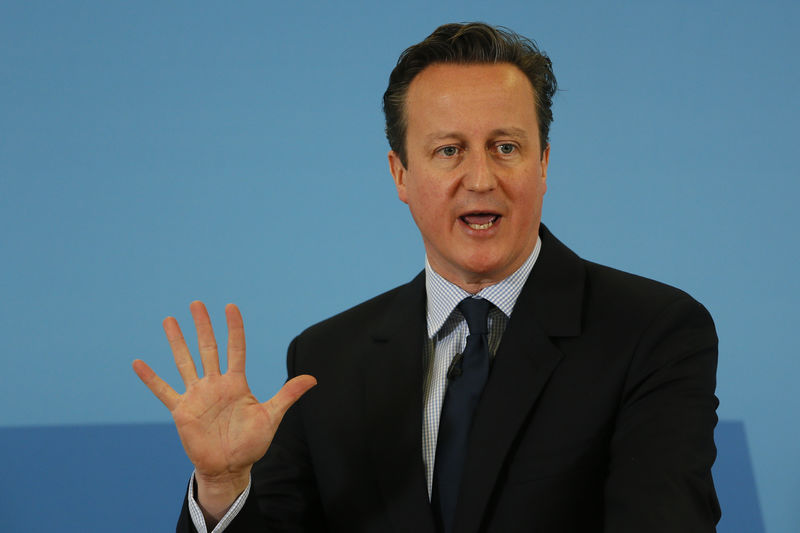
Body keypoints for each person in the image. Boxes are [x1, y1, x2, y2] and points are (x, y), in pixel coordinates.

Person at [134, 22, 721, 532]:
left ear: (543, 164)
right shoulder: (326, 359)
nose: (481, 178)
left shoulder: (651, 334)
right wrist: (224, 484)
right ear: (401, 174)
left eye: (506, 146)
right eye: (448, 150)